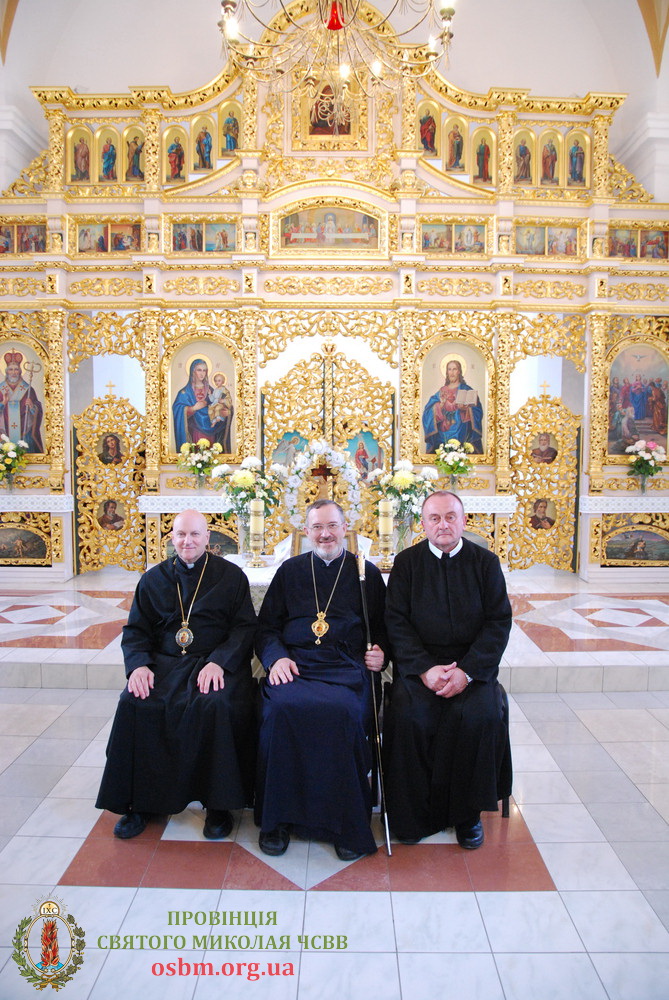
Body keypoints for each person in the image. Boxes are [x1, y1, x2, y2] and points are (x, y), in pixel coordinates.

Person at [96, 510, 257, 839]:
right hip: (164, 663)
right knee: (135, 702)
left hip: (211, 662)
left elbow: (244, 628)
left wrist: (220, 662)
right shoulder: (153, 579)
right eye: (181, 534)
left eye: (195, 534)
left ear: (207, 537)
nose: (188, 541)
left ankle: (218, 804)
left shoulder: (231, 577)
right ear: (171, 537)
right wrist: (139, 665)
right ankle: (141, 802)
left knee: (215, 705)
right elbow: (136, 630)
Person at [254, 499, 387, 861]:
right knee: (279, 712)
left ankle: (345, 824)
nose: (325, 534)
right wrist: (276, 658)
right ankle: (277, 820)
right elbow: (266, 628)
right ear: (306, 531)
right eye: (317, 527)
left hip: (346, 667)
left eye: (331, 526)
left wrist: (382, 653)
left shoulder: (365, 573)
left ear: (345, 528)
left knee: (343, 714)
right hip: (295, 664)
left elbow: (384, 627)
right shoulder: (290, 571)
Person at [383, 491, 512, 850]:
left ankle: (468, 816)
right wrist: (425, 669)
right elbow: (396, 621)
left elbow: (498, 622)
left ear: (464, 521)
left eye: (450, 517)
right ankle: (412, 816)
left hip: (472, 668)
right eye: (435, 518)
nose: (443, 525)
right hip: (420, 667)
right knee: (409, 716)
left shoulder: (485, 563)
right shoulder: (407, 563)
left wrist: (466, 672)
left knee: (480, 716)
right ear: (423, 525)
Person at [422, 358, 483, 454]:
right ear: (447, 372)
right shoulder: (442, 390)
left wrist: (466, 409)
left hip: (461, 430)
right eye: (449, 369)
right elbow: (427, 411)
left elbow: (477, 410)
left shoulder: (466, 389)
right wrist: (439, 406)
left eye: (454, 369)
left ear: (459, 371)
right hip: (443, 433)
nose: (452, 372)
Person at [0, 351, 43, 452]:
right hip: (4, 434)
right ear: (6, 372)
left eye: (16, 369)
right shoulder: (1, 389)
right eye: (10, 369)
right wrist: (3, 403)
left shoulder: (28, 390)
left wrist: (32, 406)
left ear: (20, 372)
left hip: (25, 434)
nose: (13, 372)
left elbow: (38, 410)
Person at [172, 358, 219, 449]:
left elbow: (219, 406)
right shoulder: (185, 392)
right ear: (193, 372)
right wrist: (193, 408)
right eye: (199, 370)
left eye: (204, 370)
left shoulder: (211, 391)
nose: (202, 373)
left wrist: (225, 411)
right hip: (194, 430)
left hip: (210, 430)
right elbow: (177, 409)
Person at [207, 372, 233, 452]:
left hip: (220, 404)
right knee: (210, 410)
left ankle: (218, 418)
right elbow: (212, 399)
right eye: (216, 381)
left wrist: (223, 401)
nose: (217, 382)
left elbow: (229, 400)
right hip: (214, 403)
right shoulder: (215, 390)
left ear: (223, 381)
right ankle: (214, 420)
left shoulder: (224, 390)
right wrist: (210, 394)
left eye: (219, 381)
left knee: (218, 408)